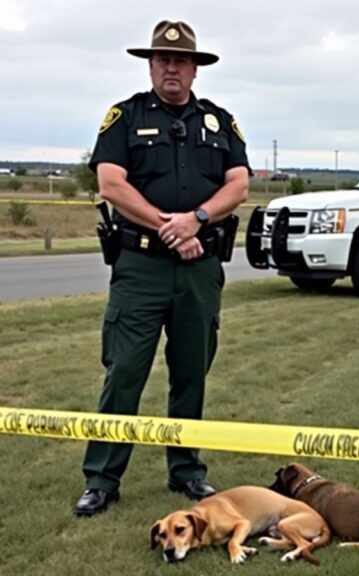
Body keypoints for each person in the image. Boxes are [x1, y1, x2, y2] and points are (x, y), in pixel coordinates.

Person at [75, 20, 250, 516]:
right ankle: (103, 478)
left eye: (180, 61)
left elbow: (237, 186)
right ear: (151, 66)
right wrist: (168, 227)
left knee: (192, 370)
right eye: (161, 60)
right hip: (141, 268)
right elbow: (111, 184)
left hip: (199, 270)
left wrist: (196, 221)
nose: (171, 68)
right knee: (124, 371)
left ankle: (188, 471)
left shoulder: (220, 123)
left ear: (195, 69)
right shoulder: (124, 118)